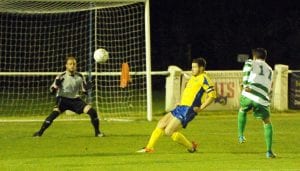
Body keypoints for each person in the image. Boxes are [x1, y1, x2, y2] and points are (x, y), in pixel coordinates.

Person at [137, 58, 216, 153]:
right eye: (192, 67)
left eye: (195, 67)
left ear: (202, 68)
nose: (192, 69)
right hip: (182, 106)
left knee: (168, 131)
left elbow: (212, 95)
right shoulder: (193, 77)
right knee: (161, 123)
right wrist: (181, 101)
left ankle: (191, 147)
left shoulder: (204, 78)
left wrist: (201, 108)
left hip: (188, 110)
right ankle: (149, 148)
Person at [33, 56, 104, 137]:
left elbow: (84, 91)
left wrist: (87, 88)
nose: (72, 66)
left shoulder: (80, 76)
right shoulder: (61, 76)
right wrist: (56, 86)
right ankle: (40, 133)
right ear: (66, 65)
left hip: (75, 100)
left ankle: (97, 133)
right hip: (62, 100)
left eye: (74, 64)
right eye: (70, 64)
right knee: (53, 115)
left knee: (92, 112)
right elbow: (52, 92)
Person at [237, 48, 276, 158]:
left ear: (254, 56)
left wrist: (245, 84)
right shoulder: (269, 69)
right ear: (265, 57)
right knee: (267, 122)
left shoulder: (250, 62)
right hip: (262, 98)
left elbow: (247, 69)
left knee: (242, 109)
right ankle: (269, 152)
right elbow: (269, 86)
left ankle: (240, 135)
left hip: (249, 94)